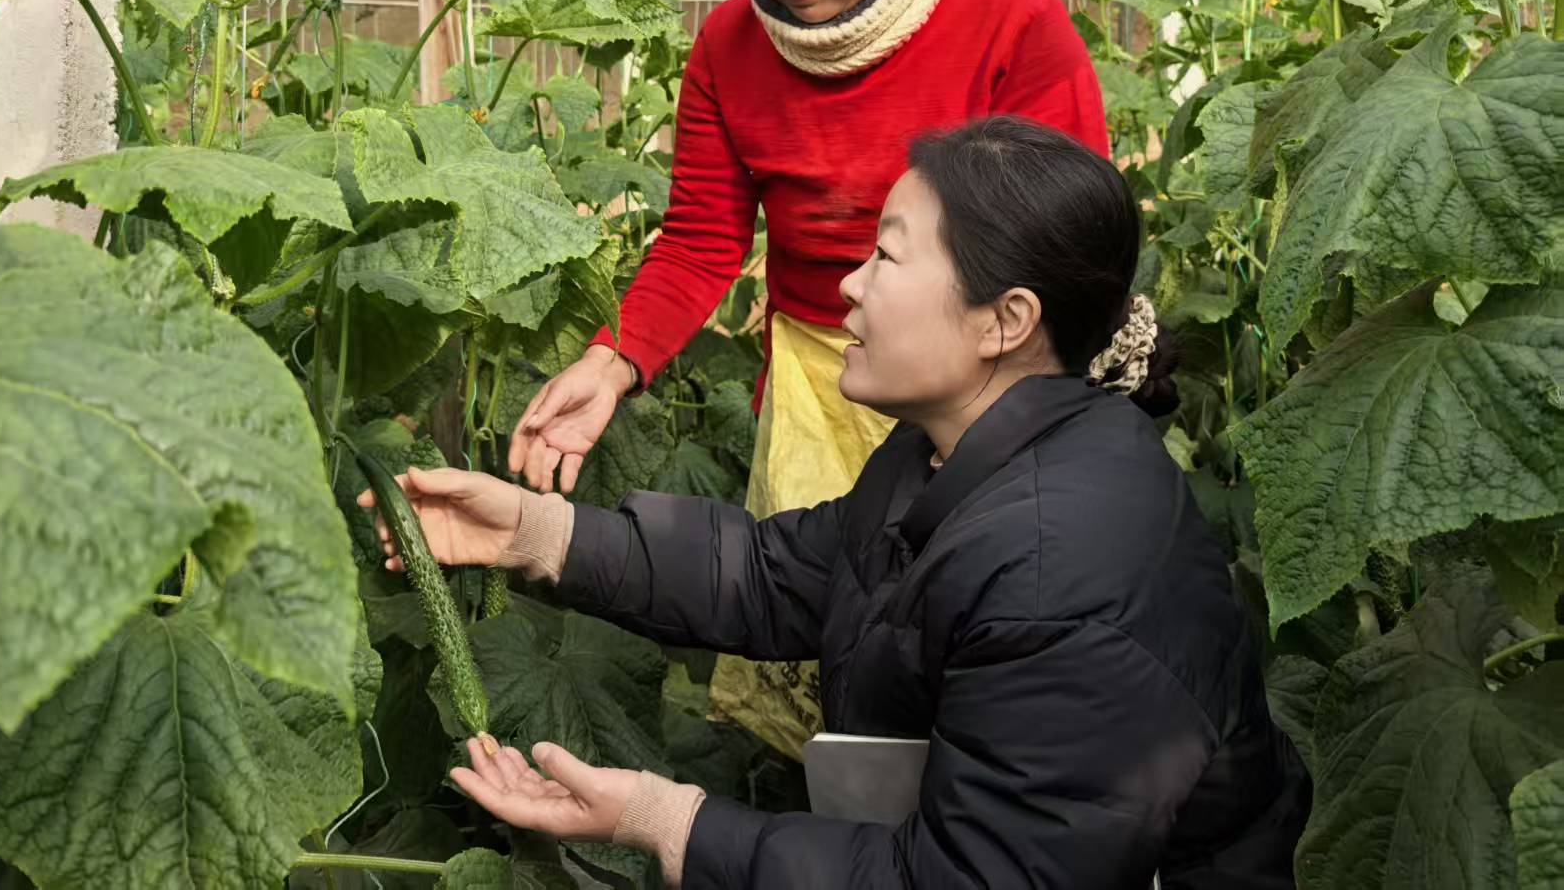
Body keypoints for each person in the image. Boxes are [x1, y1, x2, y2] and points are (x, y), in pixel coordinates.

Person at [364, 117, 1310, 889]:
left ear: (1006, 320)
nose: (850, 284)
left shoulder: (1059, 568)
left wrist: (665, 821)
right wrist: (534, 532)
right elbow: (780, 574)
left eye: (887, 257)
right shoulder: (951, 452)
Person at [507, 0, 1108, 753]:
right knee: (837, 687)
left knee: (991, 667)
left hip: (994, 390)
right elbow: (700, 239)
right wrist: (610, 363)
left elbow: (1069, 252)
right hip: (824, 390)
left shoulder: (1011, 20)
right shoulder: (727, 49)